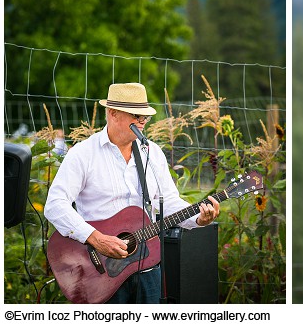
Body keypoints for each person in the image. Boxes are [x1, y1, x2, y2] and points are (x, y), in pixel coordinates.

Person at [44, 82, 220, 303]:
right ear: (113, 113)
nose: (142, 122)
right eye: (136, 116)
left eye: (144, 117)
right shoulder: (83, 154)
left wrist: (199, 218)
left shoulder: (152, 153)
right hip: (99, 272)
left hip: (147, 267)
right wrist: (96, 239)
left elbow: (169, 201)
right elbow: (55, 205)